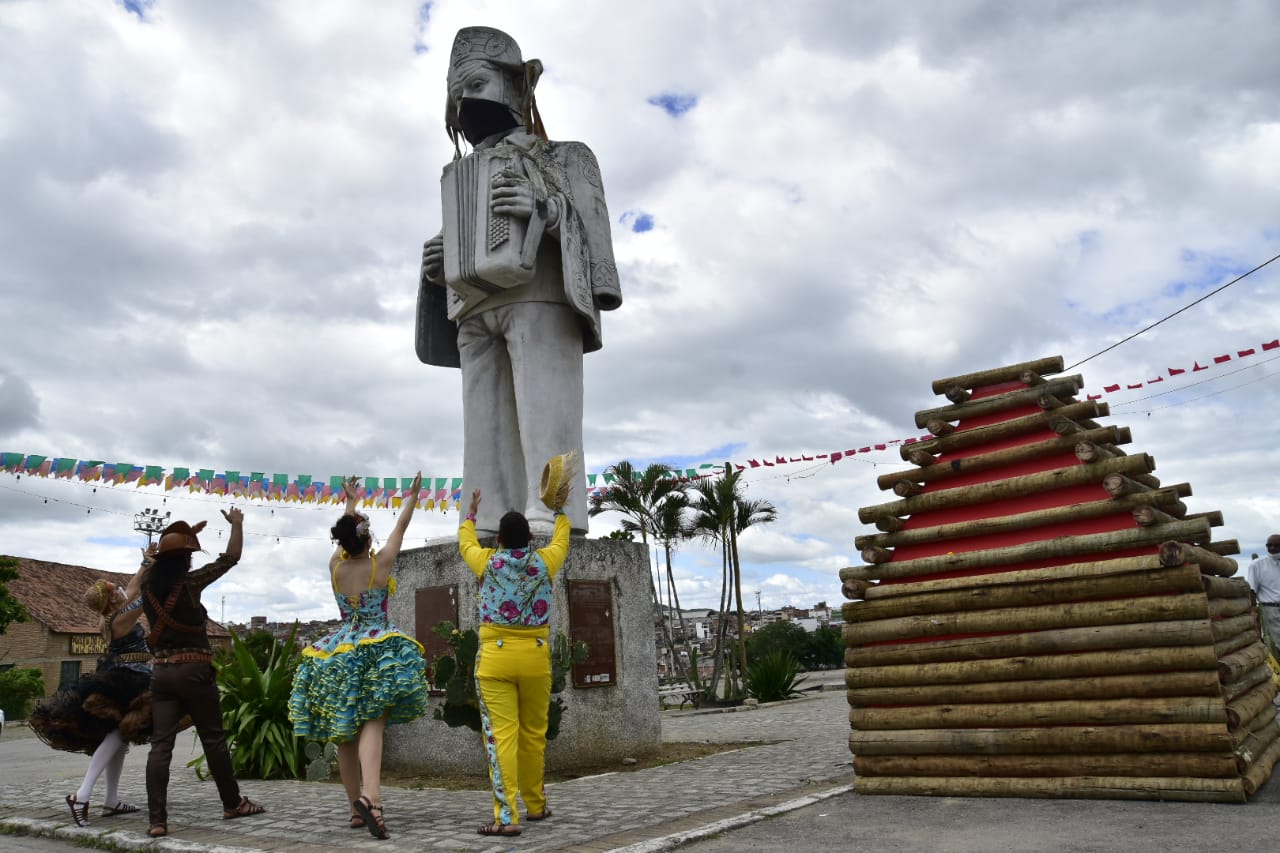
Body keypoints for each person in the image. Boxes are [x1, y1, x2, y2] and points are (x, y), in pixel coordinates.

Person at [418, 25, 622, 538]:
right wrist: (436, 267)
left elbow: (596, 242)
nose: (465, 100)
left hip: (540, 295)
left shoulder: (568, 157)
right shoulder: (459, 175)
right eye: (456, 92)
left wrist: (547, 210)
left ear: (516, 86)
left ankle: (553, 510)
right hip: (471, 305)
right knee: (480, 425)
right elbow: (461, 237)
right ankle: (484, 517)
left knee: (545, 412)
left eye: (477, 83)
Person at [288, 474, 429, 840]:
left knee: (344, 734)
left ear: (345, 541)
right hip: (376, 647)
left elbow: (346, 537)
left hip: (337, 649)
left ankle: (355, 807)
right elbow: (402, 525)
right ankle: (373, 798)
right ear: (367, 539)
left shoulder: (335, 566)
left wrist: (350, 503)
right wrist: (412, 497)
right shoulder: (378, 566)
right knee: (373, 722)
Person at [140, 508, 264, 838]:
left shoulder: (147, 586)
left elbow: (154, 562)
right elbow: (231, 557)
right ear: (186, 559)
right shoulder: (190, 582)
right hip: (194, 670)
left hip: (161, 673)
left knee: (160, 745)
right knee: (213, 739)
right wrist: (237, 524)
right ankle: (232, 803)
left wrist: (171, 542)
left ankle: (157, 820)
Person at [459, 484, 570, 837]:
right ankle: (535, 805)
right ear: (530, 541)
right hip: (536, 657)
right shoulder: (543, 562)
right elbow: (562, 541)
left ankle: (507, 817)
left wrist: (472, 513)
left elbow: (465, 543)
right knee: (534, 735)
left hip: (496, 659)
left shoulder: (488, 561)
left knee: (501, 738)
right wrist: (560, 510)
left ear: (500, 541)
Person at [29, 552, 158, 826]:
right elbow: (146, 599)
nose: (120, 589)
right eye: (114, 590)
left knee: (119, 742)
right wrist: (165, 574)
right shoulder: (118, 620)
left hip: (126, 676)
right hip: (127, 681)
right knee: (115, 737)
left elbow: (134, 586)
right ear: (112, 600)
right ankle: (82, 795)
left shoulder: (110, 615)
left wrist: (147, 563)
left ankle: (111, 801)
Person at [1246, 534, 1280, 656]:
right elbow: (1251, 589)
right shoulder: (1257, 564)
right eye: (1269, 545)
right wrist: (1254, 610)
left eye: (1276, 545)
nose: (1272, 548)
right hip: (1271, 609)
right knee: (1276, 643)